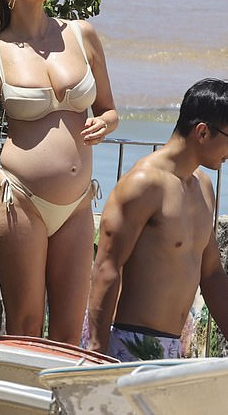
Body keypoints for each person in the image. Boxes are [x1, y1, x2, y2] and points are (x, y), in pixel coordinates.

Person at [0, 0, 118, 344]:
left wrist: (105, 124)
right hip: (19, 199)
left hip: (77, 203)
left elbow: (108, 109)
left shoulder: (81, 34)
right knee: (26, 327)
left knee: (71, 333)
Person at [88, 78, 228, 361]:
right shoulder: (144, 184)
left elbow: (211, 272)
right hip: (128, 345)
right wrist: (95, 354)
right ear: (202, 132)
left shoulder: (203, 186)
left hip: (173, 349)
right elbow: (107, 267)